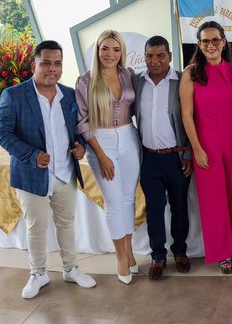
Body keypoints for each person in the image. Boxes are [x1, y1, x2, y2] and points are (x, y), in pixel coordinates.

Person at [0, 40, 96, 299]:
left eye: (57, 63)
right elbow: (3, 133)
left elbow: (78, 130)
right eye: (46, 63)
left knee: (66, 224)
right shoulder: (13, 95)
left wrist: (81, 146)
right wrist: (32, 156)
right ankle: (38, 273)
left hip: (65, 173)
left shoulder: (69, 95)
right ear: (34, 65)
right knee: (36, 227)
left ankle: (71, 268)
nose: (52, 69)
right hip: (31, 174)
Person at [181, 22, 232, 274]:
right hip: (206, 145)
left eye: (215, 40)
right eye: (205, 41)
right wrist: (196, 148)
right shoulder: (190, 74)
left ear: (224, 42)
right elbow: (186, 115)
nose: (210, 45)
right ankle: (223, 252)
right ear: (199, 44)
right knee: (214, 201)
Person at [75, 30, 141, 285]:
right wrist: (101, 156)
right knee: (114, 202)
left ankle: (129, 250)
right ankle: (120, 257)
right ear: (97, 50)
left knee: (128, 199)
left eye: (115, 49)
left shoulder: (128, 75)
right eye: (105, 48)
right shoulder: (85, 81)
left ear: (121, 52)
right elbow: (83, 121)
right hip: (100, 141)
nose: (110, 54)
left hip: (129, 137)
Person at [132, 36, 193, 280]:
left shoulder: (182, 80)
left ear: (170, 56)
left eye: (160, 56)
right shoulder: (137, 81)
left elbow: (192, 118)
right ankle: (158, 256)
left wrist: (188, 152)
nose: (154, 61)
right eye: (149, 56)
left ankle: (180, 251)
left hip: (176, 157)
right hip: (149, 158)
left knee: (179, 206)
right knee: (154, 209)